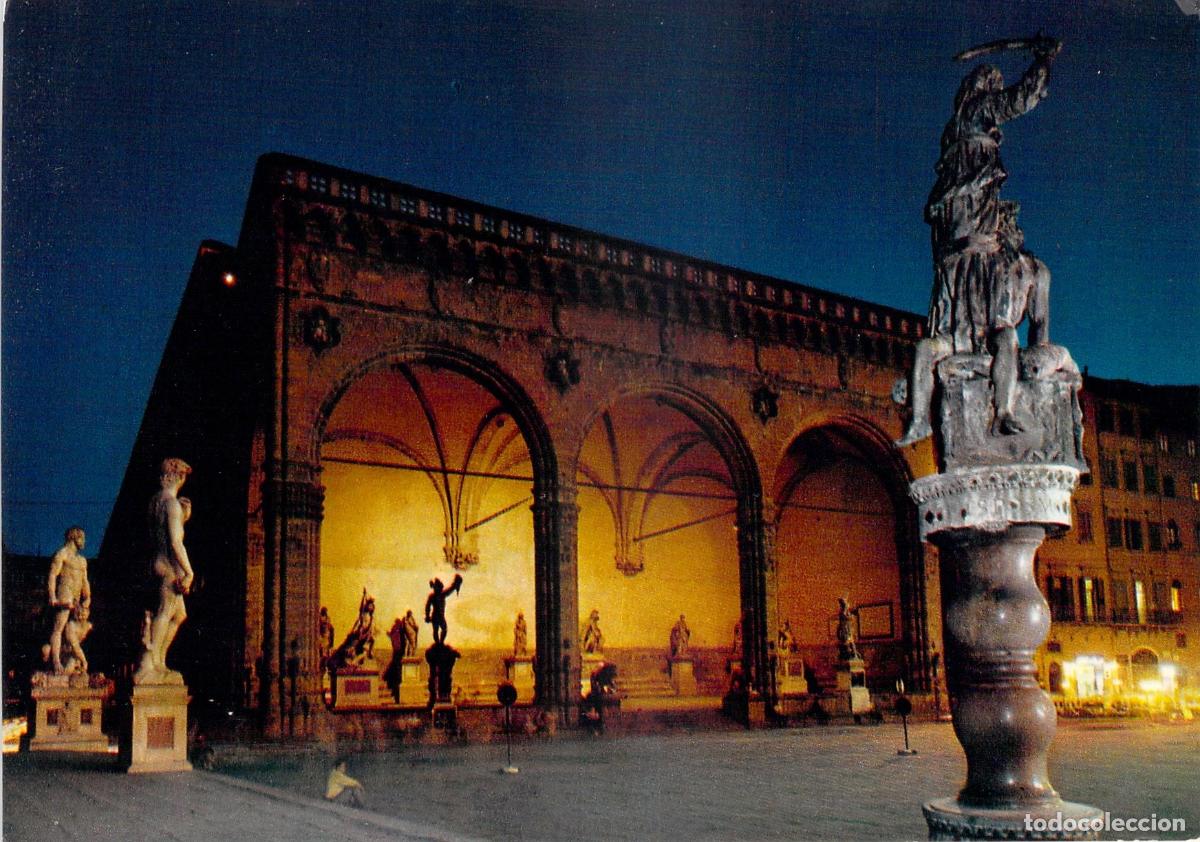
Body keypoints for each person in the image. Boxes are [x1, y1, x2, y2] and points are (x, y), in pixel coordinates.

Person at [897, 37, 1061, 446]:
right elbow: (1020, 100)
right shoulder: (977, 115)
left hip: (955, 253)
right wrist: (1043, 62)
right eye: (993, 85)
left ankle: (924, 420)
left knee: (982, 337)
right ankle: (999, 413)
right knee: (1001, 333)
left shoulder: (953, 135)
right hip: (970, 248)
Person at [136, 459, 195, 683]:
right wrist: (189, 572)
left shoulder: (156, 501)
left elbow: (161, 531)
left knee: (179, 615)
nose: (183, 480)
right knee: (165, 611)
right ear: (174, 477)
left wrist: (183, 517)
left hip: (157, 560)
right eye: (182, 476)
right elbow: (175, 542)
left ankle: (159, 662)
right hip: (169, 564)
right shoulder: (172, 504)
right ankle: (150, 664)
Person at [47, 526, 90, 674]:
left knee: (73, 632)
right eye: (82, 538)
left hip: (77, 598)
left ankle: (70, 661)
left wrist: (88, 597)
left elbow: (85, 581)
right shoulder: (62, 553)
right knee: (59, 627)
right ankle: (56, 661)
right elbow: (53, 575)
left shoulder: (82, 560)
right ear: (74, 537)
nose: (84, 541)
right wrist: (52, 595)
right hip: (65, 593)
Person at [425, 574, 463, 645]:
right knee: (439, 630)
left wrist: (455, 584)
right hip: (438, 616)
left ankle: (439, 643)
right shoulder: (437, 595)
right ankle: (439, 643)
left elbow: (450, 590)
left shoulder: (439, 594)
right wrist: (427, 616)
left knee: (440, 630)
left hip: (437, 616)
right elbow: (427, 607)